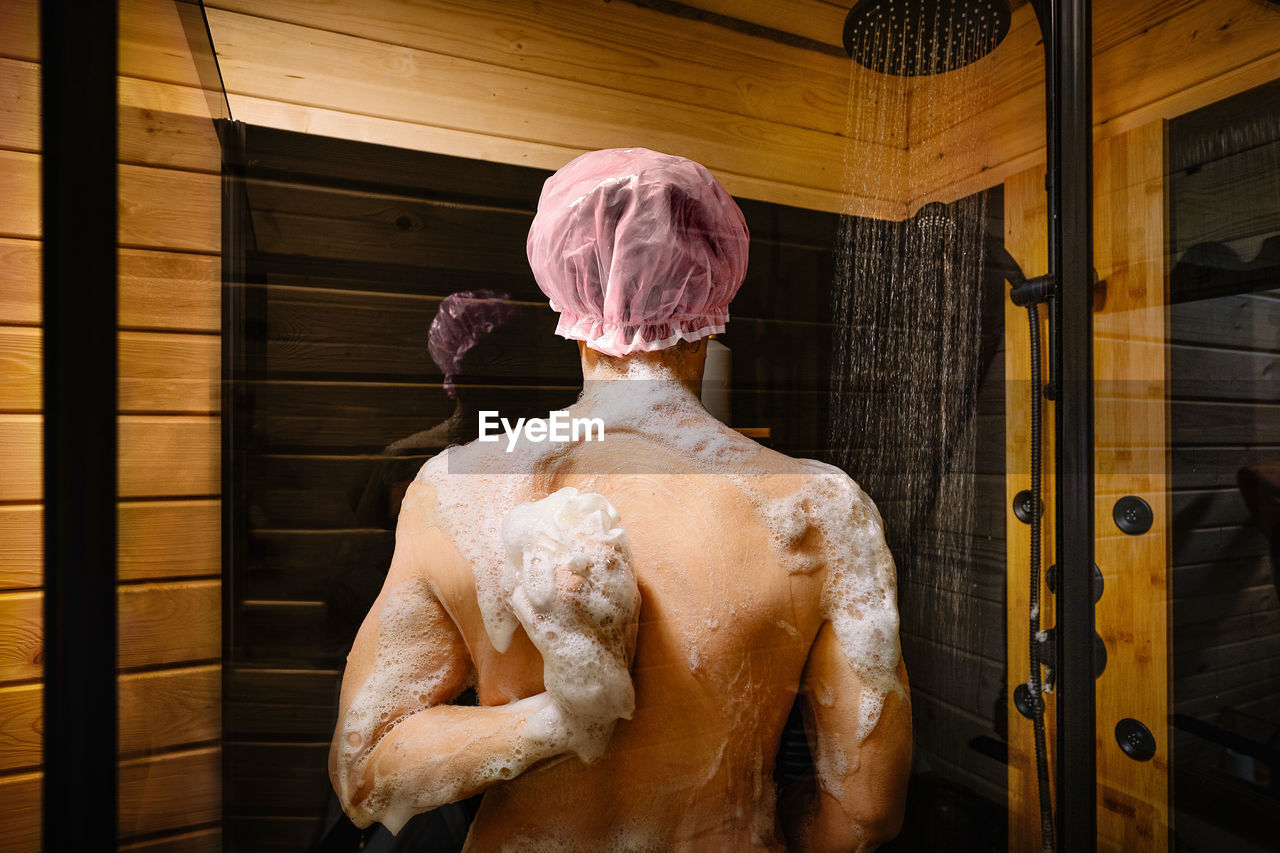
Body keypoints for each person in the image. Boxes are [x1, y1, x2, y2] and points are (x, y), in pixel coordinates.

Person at [329, 148, 912, 851]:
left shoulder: (455, 489)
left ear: (565, 299)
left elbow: (367, 768)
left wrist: (561, 722)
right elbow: (867, 813)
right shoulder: (823, 507)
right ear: (715, 298)